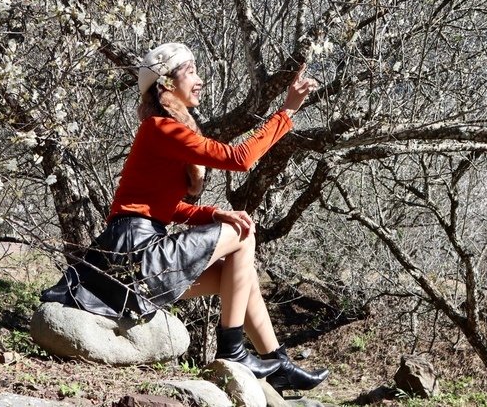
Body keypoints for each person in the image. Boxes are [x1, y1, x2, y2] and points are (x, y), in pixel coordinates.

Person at [41, 43, 329, 392]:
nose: (199, 79)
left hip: (133, 255)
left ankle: (278, 362)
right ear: (166, 84)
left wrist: (212, 212)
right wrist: (286, 111)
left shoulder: (162, 134)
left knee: (236, 274)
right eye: (190, 71)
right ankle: (233, 351)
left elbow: (159, 206)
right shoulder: (159, 128)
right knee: (242, 232)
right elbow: (238, 157)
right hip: (134, 252)